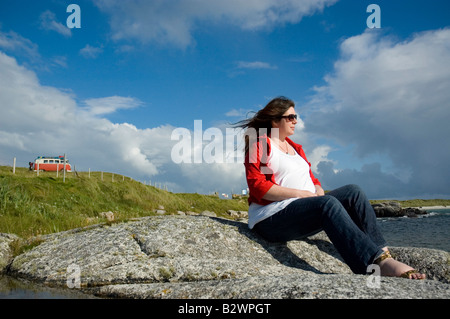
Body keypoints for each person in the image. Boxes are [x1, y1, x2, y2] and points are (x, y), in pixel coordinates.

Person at [237, 96, 425, 279]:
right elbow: (257, 186)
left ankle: (384, 254)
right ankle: (374, 264)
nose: (296, 121)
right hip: (271, 218)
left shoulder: (295, 147)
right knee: (327, 204)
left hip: (302, 211)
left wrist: (317, 190)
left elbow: (311, 178)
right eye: (290, 117)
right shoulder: (261, 143)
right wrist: (301, 195)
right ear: (275, 121)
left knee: (354, 192)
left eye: (296, 117)